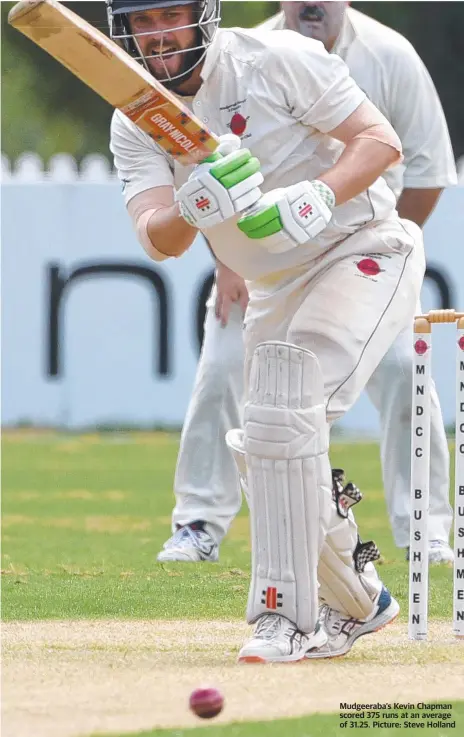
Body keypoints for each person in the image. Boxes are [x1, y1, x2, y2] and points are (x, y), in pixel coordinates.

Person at [109, 0, 425, 661]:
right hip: (274, 287)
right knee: (263, 438)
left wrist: (322, 193)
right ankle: (362, 598)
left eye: (170, 15)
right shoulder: (137, 119)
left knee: (286, 412)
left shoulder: (278, 59)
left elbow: (381, 140)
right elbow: (155, 236)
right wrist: (194, 207)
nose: (158, 34)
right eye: (142, 22)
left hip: (362, 246)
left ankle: (285, 616)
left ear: (203, 16)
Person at [156, 0, 456, 565]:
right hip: (261, 263)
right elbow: (202, 171)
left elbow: (427, 170)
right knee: (223, 368)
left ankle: (427, 530)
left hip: (359, 246)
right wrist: (230, 264)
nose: (310, 3)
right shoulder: (236, 53)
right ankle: (198, 522)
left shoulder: (391, 56)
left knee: (403, 374)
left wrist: (379, 257)